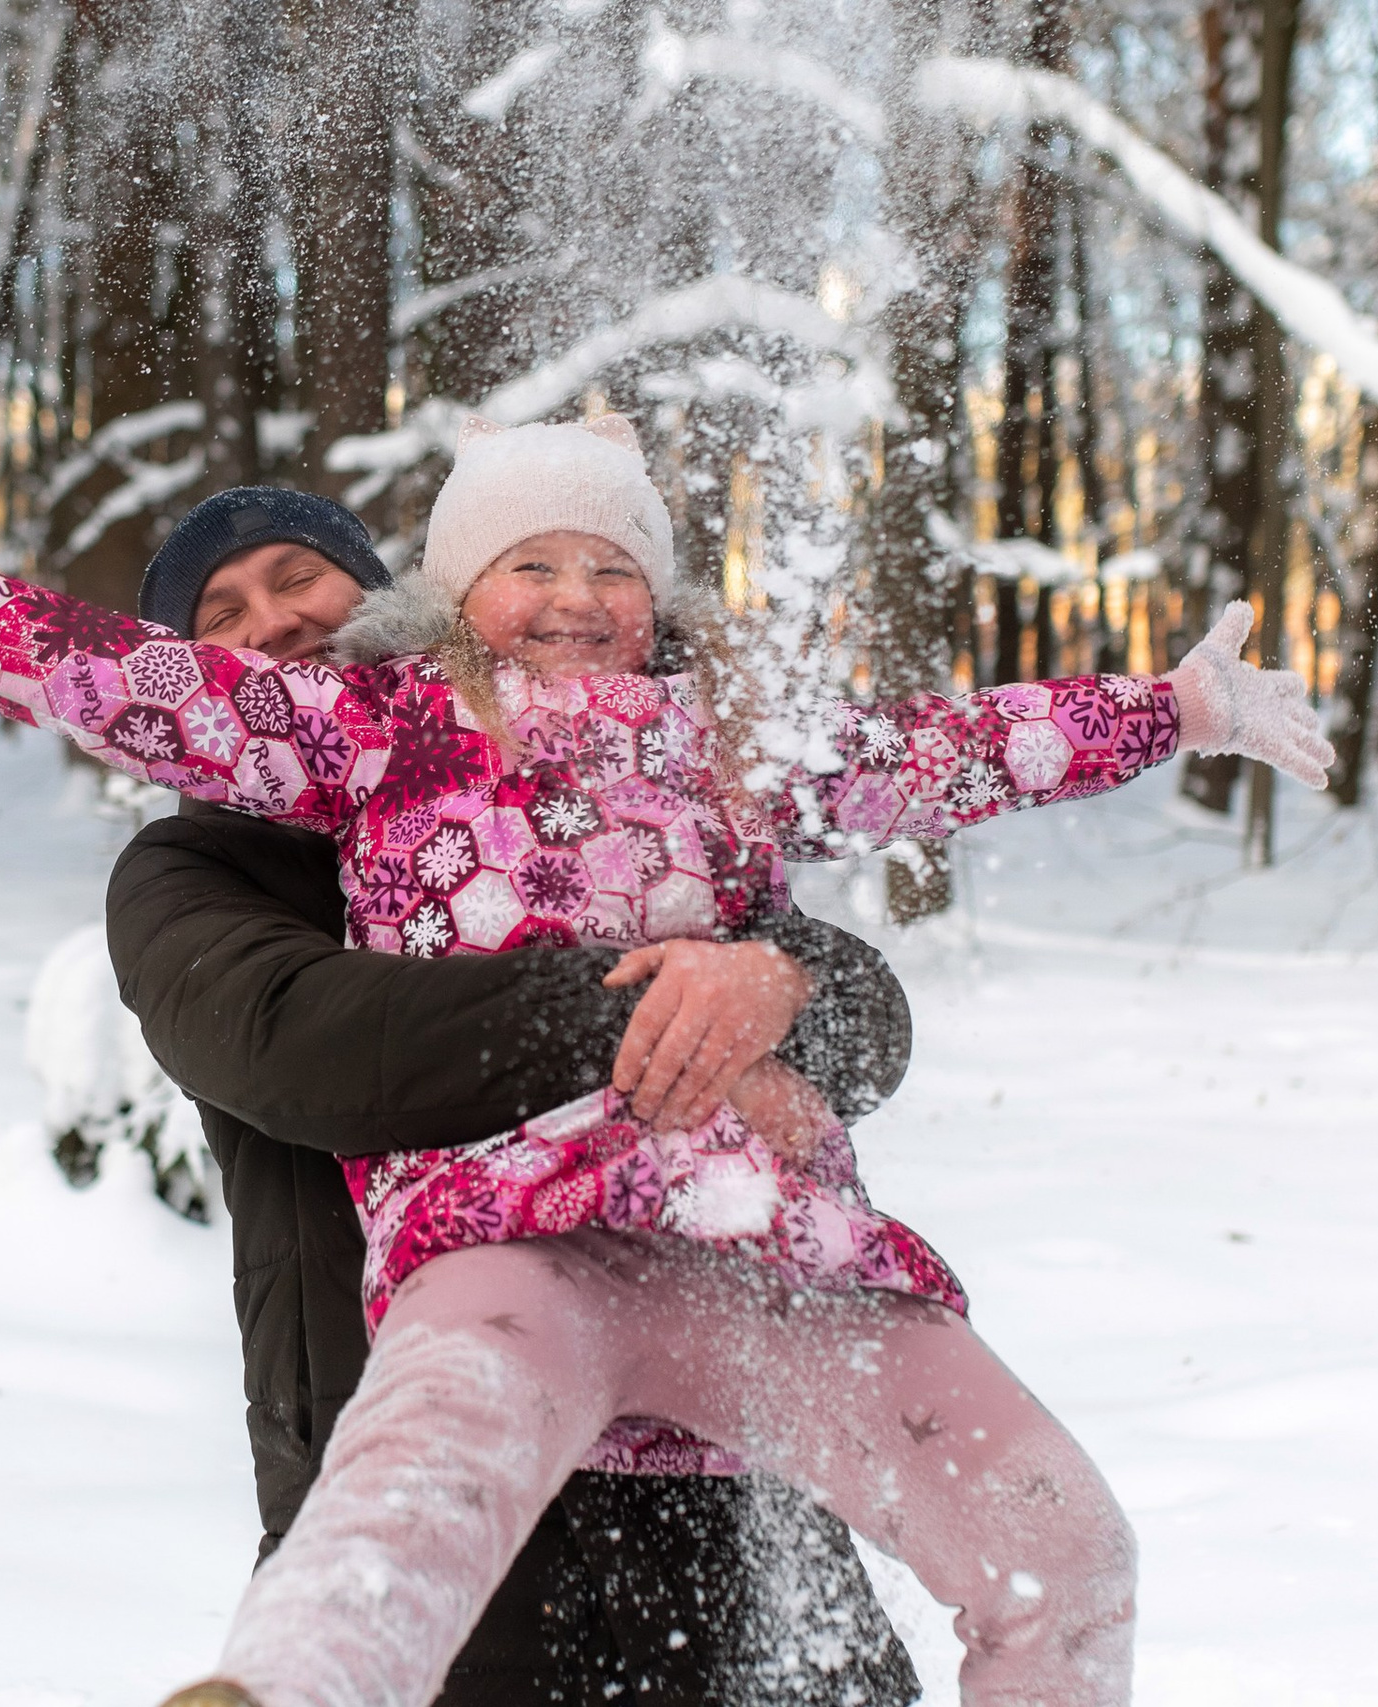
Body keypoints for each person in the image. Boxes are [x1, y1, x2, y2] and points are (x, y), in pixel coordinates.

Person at [0, 419, 1330, 1707]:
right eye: (527, 562)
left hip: (764, 1280)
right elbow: (131, 685)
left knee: (1061, 1537)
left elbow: (948, 751)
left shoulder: (731, 755)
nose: (573, 595)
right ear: (464, 596)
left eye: (610, 566)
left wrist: (1172, 710)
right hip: (512, 1256)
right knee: (415, 1489)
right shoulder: (343, 763)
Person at [103, 483, 923, 1706]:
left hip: (735, 1463)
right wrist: (659, 1011)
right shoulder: (192, 872)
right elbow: (313, 1050)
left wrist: (779, 982)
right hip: (435, 1494)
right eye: (220, 614)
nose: (269, 621)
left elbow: (863, 1033)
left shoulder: (621, 784)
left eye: (296, 579)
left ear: (389, 594)